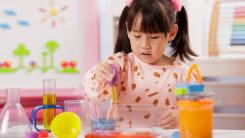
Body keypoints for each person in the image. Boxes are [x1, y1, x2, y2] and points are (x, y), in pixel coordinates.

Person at [83, 0, 198, 129]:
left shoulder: (184, 74)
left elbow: (197, 111)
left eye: (154, 37)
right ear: (128, 30)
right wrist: (98, 75)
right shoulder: (120, 65)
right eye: (137, 36)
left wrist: (180, 115)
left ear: (171, 33)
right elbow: (96, 99)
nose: (144, 45)